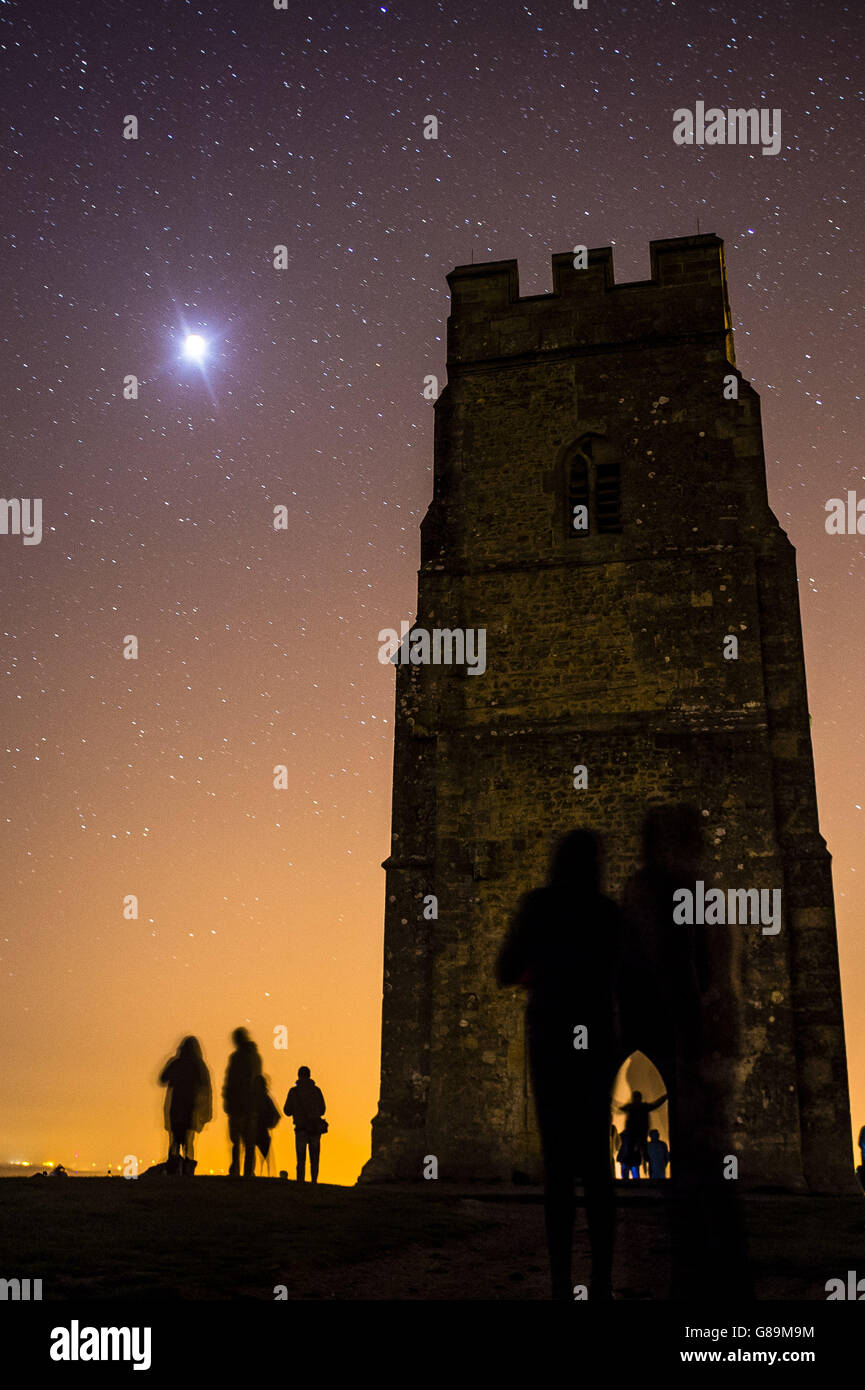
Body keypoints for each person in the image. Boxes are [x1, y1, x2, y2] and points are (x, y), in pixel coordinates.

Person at [497, 829, 623, 1301]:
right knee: (595, 1163)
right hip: (596, 1039)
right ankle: (604, 1282)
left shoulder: (539, 906)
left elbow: (506, 969)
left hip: (550, 1036)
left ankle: (559, 1282)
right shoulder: (608, 914)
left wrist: (540, 972)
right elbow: (623, 977)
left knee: (557, 1162)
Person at [159, 1036, 212, 1175]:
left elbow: (163, 1078)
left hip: (176, 1107)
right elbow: (205, 1087)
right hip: (191, 1107)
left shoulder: (177, 1064)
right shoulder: (199, 1066)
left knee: (175, 1139)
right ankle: (188, 1169)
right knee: (189, 1140)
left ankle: (174, 1167)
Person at [223, 1028, 263, 1178]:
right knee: (249, 1141)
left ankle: (236, 1170)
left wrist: (227, 1098)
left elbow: (230, 1080)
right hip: (250, 1104)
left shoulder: (237, 1057)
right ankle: (247, 1171)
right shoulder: (255, 1057)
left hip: (238, 1104)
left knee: (237, 1140)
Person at [284, 1066, 326, 1183]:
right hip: (315, 1129)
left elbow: (287, 1111)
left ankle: (300, 1181)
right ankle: (314, 1181)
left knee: (301, 1159)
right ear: (309, 1075)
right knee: (315, 1159)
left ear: (298, 1076)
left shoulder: (293, 1092)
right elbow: (323, 1110)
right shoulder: (317, 1091)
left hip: (301, 1129)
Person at [614, 1089, 667, 1177]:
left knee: (641, 1156)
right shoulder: (640, 1107)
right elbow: (656, 1104)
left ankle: (646, 1174)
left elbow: (620, 1107)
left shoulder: (634, 1107)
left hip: (636, 1135)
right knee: (642, 1156)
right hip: (637, 1135)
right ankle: (647, 1175)